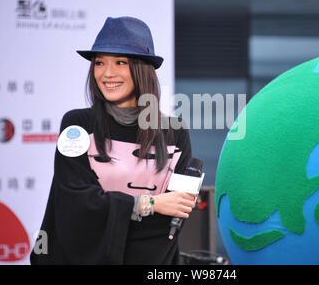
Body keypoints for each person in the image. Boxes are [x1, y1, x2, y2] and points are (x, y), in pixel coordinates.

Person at [30, 16, 195, 265]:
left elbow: (173, 219)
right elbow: (76, 204)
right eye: (99, 63)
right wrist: (150, 203)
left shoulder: (175, 132)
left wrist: (119, 212)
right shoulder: (77, 126)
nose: (107, 74)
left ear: (142, 69)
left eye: (120, 62)